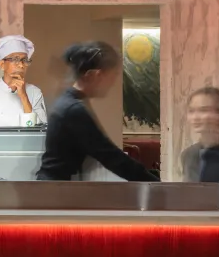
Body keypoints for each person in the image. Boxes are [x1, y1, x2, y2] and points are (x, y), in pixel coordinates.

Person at [37, 41, 157, 182]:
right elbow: (110, 156)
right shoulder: (74, 109)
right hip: (55, 191)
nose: (113, 82)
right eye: (114, 75)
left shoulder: (71, 102)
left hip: (57, 188)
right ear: (96, 75)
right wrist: (155, 184)